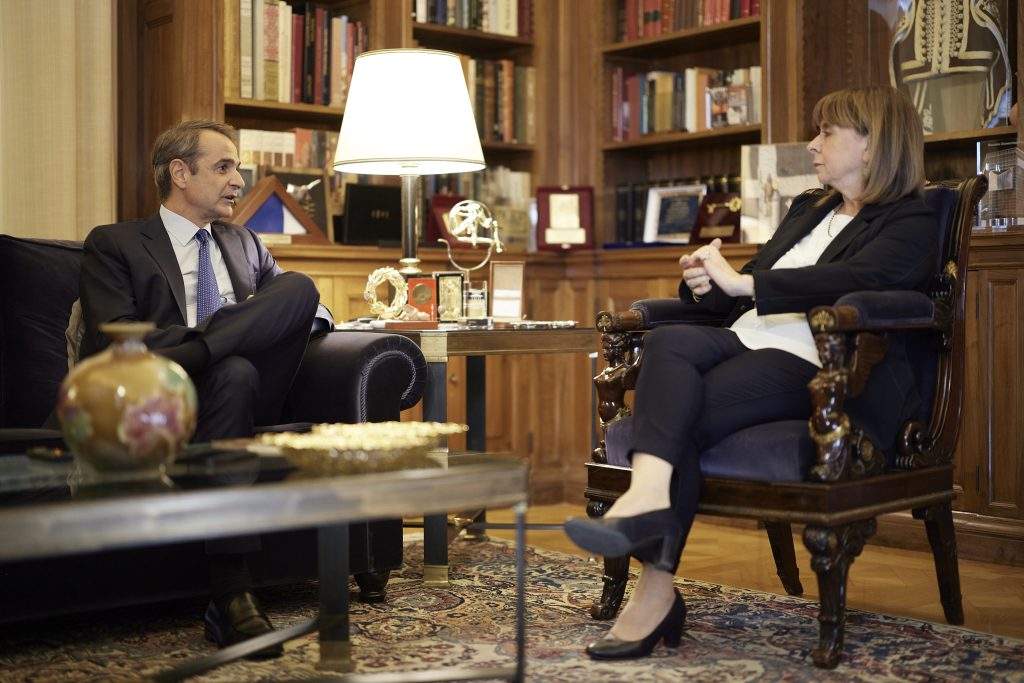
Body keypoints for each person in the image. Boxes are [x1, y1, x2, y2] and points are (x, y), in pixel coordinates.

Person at [565, 85, 938, 660]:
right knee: (668, 339)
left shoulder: (911, 219)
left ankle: (653, 588)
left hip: (814, 362)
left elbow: (856, 280)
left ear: (872, 145)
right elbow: (743, 291)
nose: (812, 144)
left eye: (827, 133)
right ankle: (647, 502)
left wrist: (745, 282)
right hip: (742, 339)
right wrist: (705, 284)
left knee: (670, 421)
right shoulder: (810, 209)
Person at [79, 120, 332, 658]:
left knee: (300, 286)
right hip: (164, 397)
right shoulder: (116, 243)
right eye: (223, 167)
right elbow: (114, 338)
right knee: (233, 370)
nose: (238, 181)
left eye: (236, 168)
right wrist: (218, 347)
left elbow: (306, 309)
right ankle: (232, 591)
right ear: (180, 173)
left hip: (256, 387)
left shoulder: (246, 243)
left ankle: (201, 352)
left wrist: (208, 341)